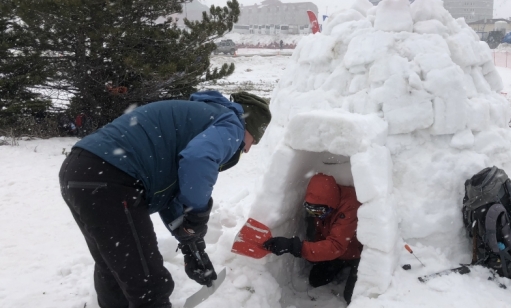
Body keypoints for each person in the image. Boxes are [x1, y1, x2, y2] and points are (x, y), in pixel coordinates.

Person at [59, 90, 271, 307]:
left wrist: (191, 245)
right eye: (253, 141)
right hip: (112, 178)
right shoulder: (232, 124)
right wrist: (197, 212)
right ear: (249, 126)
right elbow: (198, 158)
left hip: (80, 171)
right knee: (148, 285)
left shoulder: (201, 117)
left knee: (113, 268)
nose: (247, 149)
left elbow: (169, 195)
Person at [263, 174, 363, 305]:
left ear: (331, 204)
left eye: (319, 212)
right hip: (340, 253)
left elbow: (336, 246)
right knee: (316, 279)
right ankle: (341, 263)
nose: (317, 215)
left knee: (351, 297)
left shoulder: (350, 207)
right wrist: (314, 252)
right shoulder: (321, 206)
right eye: (312, 211)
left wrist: (294, 246)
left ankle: (353, 266)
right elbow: (321, 233)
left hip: (358, 253)